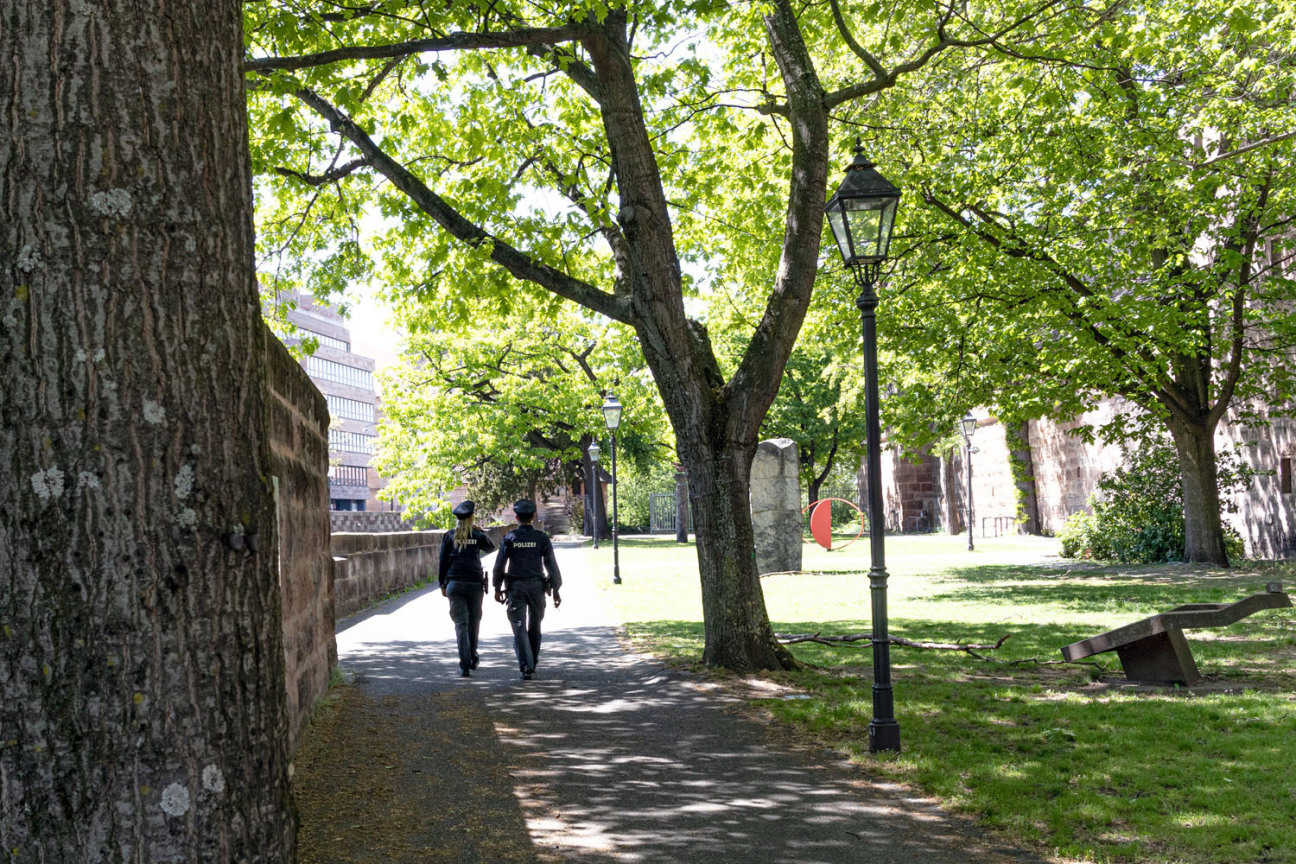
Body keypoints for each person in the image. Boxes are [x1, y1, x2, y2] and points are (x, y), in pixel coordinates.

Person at [492, 499, 562, 680]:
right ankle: (533, 661)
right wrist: (556, 590)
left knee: (519, 626)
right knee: (535, 625)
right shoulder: (541, 538)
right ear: (533, 517)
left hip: (516, 588)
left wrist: (497, 587)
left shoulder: (510, 538)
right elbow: (551, 566)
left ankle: (526, 666)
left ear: (516, 517)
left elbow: (499, 566)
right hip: (537, 587)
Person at [438, 500, 496, 677]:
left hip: (455, 584)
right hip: (474, 584)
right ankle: (472, 655)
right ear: (471, 517)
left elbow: (442, 562)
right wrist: (481, 532)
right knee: (474, 621)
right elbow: (491, 548)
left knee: (460, 624)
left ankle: (464, 664)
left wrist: (442, 584)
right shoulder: (477, 535)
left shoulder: (449, 536)